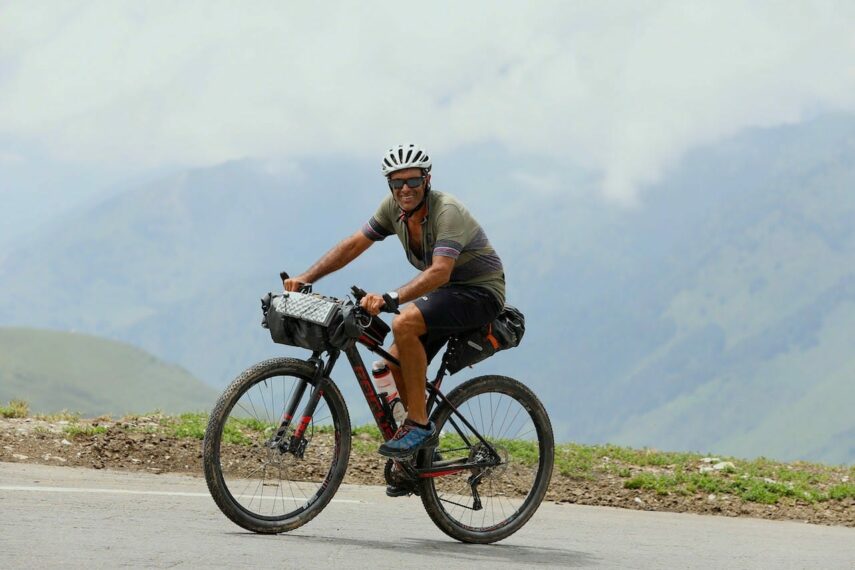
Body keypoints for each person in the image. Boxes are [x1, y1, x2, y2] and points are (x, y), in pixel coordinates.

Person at [283, 143, 505, 466]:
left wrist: (392, 298)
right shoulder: (393, 209)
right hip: (447, 293)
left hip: (480, 292)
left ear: (426, 180)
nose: (405, 189)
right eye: (397, 182)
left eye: (413, 181)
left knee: (404, 323)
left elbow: (441, 272)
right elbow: (353, 245)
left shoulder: (447, 211)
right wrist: (306, 277)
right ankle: (423, 457)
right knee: (392, 361)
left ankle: (419, 424)